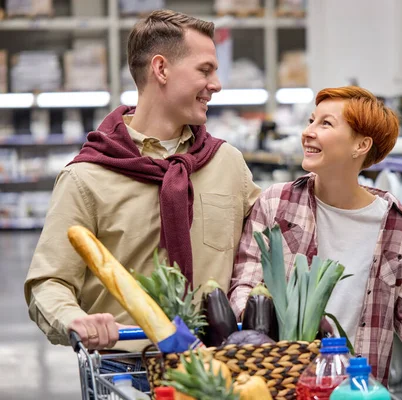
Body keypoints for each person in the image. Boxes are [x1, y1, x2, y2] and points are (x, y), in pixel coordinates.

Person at [24, 10, 261, 390]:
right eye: (205, 70)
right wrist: (75, 319)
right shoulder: (87, 177)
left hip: (222, 371)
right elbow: (49, 281)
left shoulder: (226, 163)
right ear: (161, 69)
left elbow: (267, 239)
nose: (216, 84)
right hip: (126, 374)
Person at [229, 86, 402, 384]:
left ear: (360, 145)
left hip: (358, 387)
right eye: (311, 121)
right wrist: (256, 331)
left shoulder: (392, 221)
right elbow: (245, 284)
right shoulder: (276, 203)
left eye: (325, 123)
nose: (308, 132)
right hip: (284, 381)